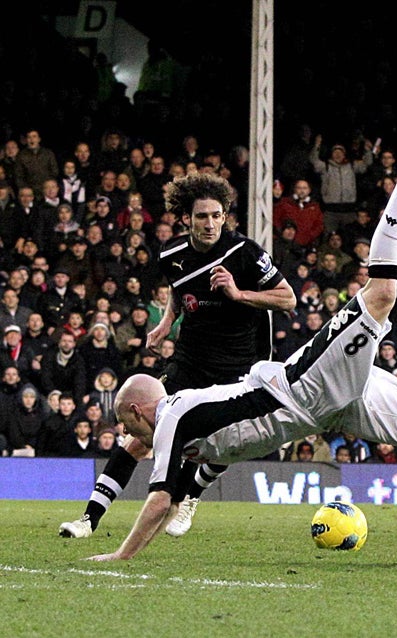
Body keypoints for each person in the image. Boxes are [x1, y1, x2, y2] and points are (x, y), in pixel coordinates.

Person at [83, 136, 397, 562]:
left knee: (383, 293)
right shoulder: (185, 416)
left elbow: (156, 501)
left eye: (128, 426)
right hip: (327, 412)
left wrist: (121, 556)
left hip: (306, 387)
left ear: (134, 409)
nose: (132, 436)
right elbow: (227, 441)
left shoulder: (172, 416)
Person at [59, 171, 298, 539]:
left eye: (216, 215)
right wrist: (166, 322)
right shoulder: (171, 254)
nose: (209, 223)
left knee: (217, 442)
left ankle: (190, 497)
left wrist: (238, 294)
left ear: (224, 216)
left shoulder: (244, 253)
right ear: (186, 218)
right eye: (201, 216)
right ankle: (89, 519)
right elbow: (178, 289)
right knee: (141, 438)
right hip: (190, 360)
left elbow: (288, 299)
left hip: (238, 366)